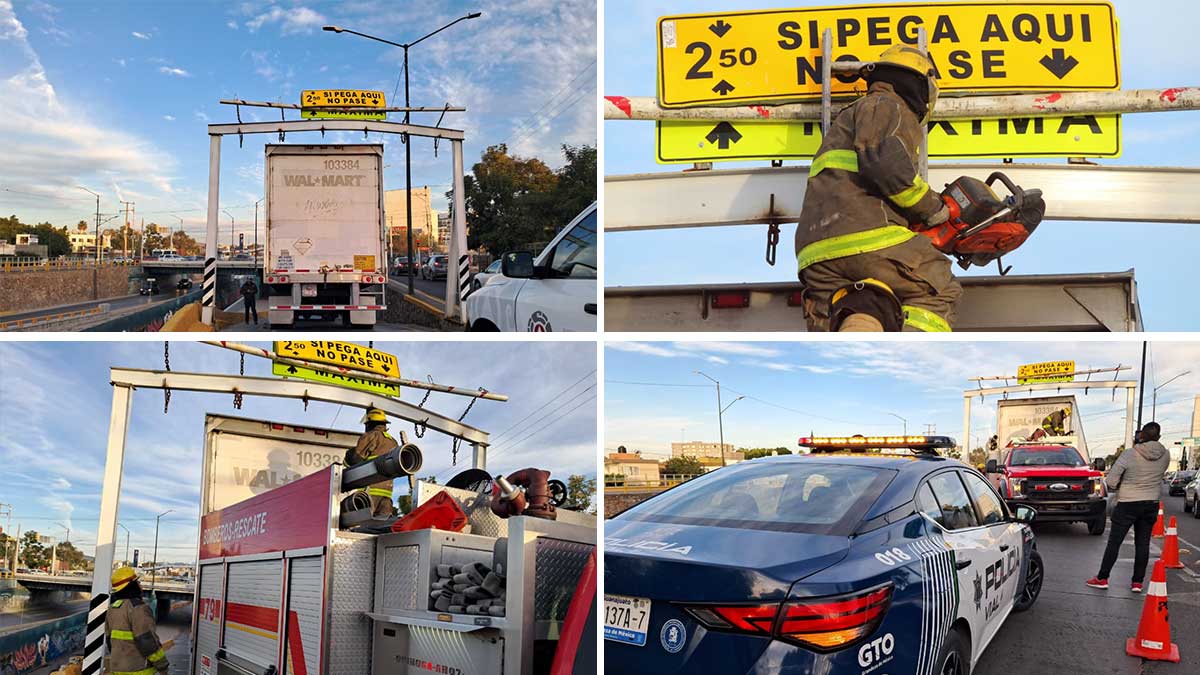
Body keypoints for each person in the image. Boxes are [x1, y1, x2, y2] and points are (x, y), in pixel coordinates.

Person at [795, 44, 960, 332]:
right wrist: (933, 208)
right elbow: (884, 163)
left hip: (815, 255)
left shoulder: (846, 121)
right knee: (937, 283)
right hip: (865, 237)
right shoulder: (887, 105)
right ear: (920, 85)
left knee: (838, 315)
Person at [1086, 422, 1170, 592]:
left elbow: (1110, 481)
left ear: (1141, 436)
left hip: (1127, 504)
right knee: (1143, 544)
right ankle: (1137, 583)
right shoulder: (1166, 455)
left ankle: (1102, 578)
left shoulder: (1129, 454)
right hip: (1151, 503)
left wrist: (1121, 486)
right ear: (1159, 437)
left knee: (1114, 543)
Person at [106, 566, 169, 675]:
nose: (140, 585)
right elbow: (147, 642)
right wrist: (162, 666)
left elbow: (109, 641)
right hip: (139, 670)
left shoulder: (112, 609)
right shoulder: (139, 608)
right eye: (138, 582)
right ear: (131, 586)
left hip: (117, 669)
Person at [345, 407, 398, 517]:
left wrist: (348, 458)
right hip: (387, 494)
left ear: (370, 424)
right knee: (380, 527)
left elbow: (357, 458)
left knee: (361, 525)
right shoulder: (393, 441)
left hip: (369, 491)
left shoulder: (372, 436)